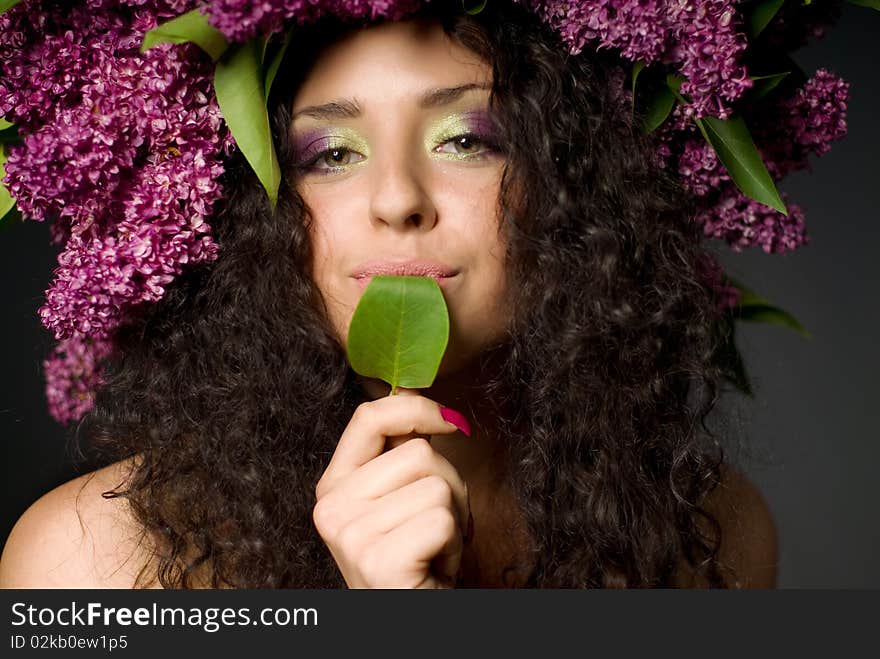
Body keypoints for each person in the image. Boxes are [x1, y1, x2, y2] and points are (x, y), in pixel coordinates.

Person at [0, 0, 777, 589]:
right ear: (254, 213)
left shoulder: (712, 535)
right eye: (332, 152)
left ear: (575, 183)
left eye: (466, 139)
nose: (398, 198)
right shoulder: (89, 562)